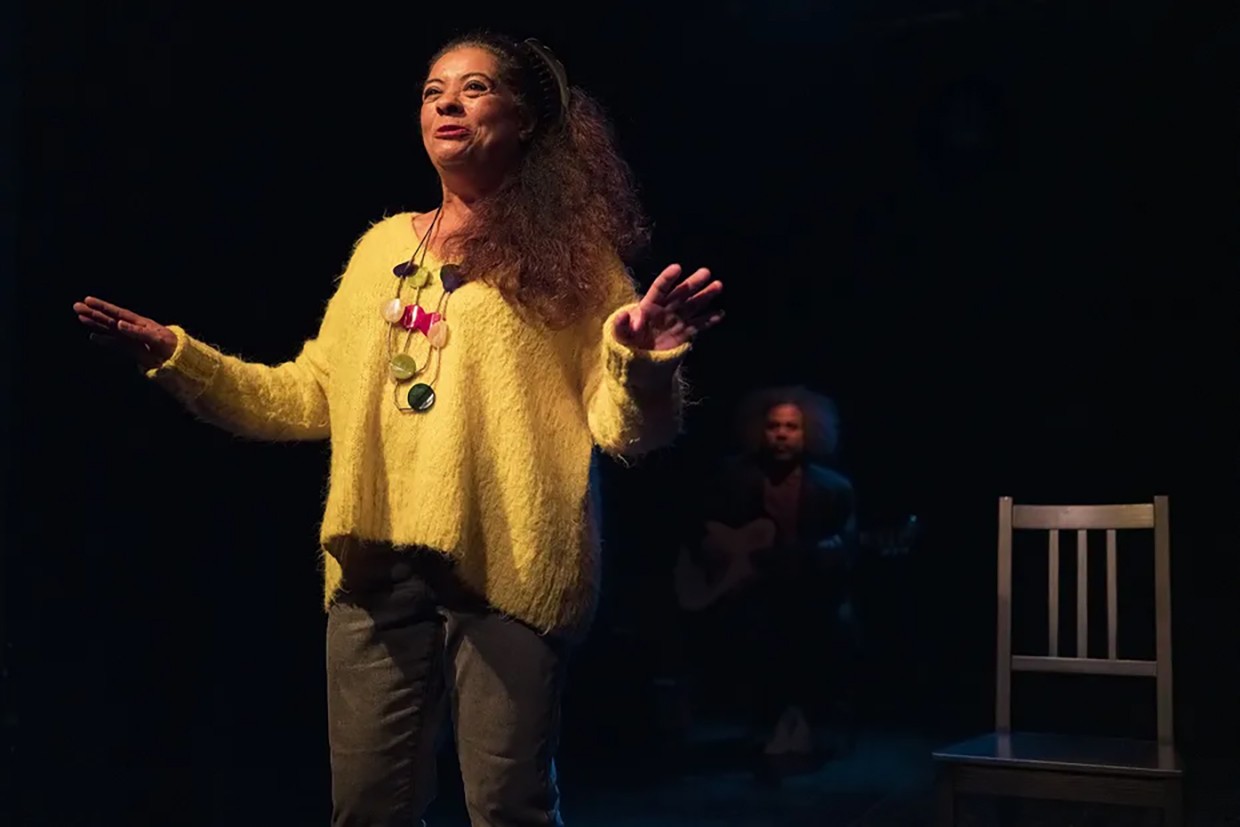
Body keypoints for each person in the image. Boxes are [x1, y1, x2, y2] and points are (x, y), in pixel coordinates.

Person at [73, 32, 723, 827]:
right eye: (432, 90)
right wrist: (180, 357)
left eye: (476, 87)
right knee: (366, 811)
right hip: (376, 566)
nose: (447, 102)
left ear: (523, 120)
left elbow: (625, 430)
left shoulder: (576, 260)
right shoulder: (384, 247)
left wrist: (643, 362)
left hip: (509, 559)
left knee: (507, 807)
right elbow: (308, 395)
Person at [684, 385, 859, 779]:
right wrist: (718, 550)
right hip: (748, 592)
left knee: (821, 627)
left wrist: (824, 555)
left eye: (791, 427)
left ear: (808, 432)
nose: (781, 434)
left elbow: (847, 549)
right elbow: (699, 530)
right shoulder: (731, 478)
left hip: (811, 595)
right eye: (774, 426)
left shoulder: (834, 489)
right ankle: (768, 723)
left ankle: (805, 722)